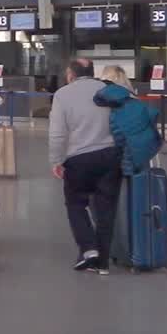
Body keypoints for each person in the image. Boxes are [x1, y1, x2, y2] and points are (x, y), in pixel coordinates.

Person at [49, 58, 119, 275]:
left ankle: (89, 249)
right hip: (110, 155)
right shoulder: (107, 90)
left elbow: (58, 133)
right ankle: (104, 262)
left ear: (71, 74)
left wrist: (56, 160)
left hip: (79, 158)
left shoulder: (63, 94)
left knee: (76, 204)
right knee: (106, 208)